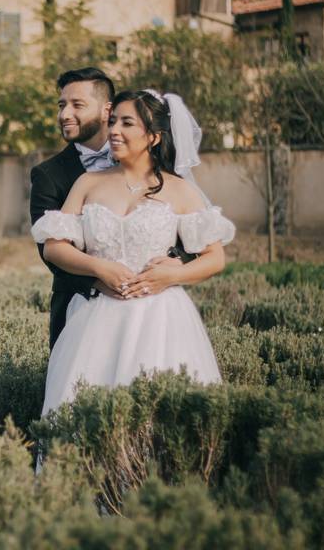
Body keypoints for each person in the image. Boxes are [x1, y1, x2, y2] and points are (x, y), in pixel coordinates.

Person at [31, 90, 234, 415]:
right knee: (83, 409)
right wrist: (98, 268)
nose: (114, 130)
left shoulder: (179, 189)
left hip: (161, 319)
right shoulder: (87, 183)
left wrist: (174, 274)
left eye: (127, 123)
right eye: (112, 122)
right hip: (97, 317)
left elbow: (215, 257)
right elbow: (55, 248)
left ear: (153, 136)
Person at [29, 68, 193, 353]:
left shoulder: (152, 158)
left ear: (107, 110)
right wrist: (100, 278)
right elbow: (50, 251)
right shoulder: (48, 175)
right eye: (61, 105)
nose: (64, 114)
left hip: (153, 307)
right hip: (82, 309)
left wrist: (175, 262)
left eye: (77, 105)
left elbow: (185, 227)